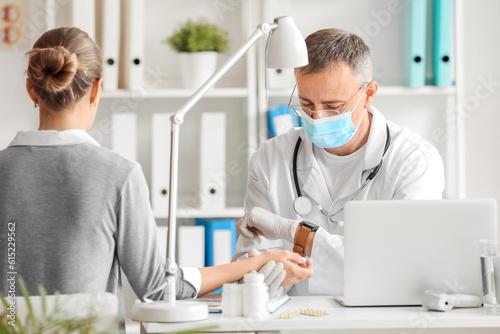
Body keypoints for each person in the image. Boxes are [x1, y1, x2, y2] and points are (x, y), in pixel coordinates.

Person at [0, 27, 312, 328]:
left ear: (32, 89)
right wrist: (252, 264)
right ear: (96, 89)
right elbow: (157, 289)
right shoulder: (118, 175)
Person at [232, 28, 445, 297]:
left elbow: (404, 273)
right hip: (295, 321)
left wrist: (298, 234)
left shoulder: (413, 161)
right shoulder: (270, 158)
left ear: (368, 94)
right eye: (306, 104)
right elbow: (247, 269)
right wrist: (255, 280)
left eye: (333, 106)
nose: (317, 117)